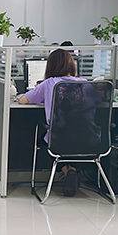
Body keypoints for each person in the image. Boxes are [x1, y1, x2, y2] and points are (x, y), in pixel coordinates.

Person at [17, 48, 85, 196]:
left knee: (46, 139)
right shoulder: (85, 83)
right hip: (87, 139)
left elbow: (22, 101)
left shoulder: (48, 84)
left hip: (58, 139)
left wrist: (39, 93)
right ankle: (72, 170)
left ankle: (67, 170)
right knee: (71, 138)